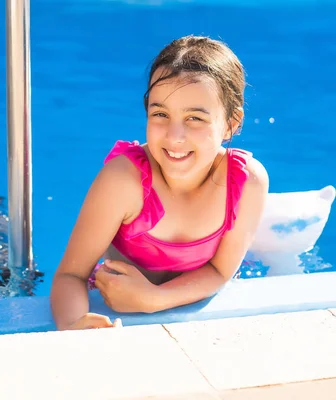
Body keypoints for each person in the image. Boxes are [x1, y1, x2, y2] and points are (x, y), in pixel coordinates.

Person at [50, 35, 269, 330]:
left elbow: (219, 271)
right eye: (160, 114)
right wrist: (74, 323)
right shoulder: (122, 182)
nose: (174, 136)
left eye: (195, 118)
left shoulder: (246, 182)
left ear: (231, 123)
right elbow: (70, 276)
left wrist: (154, 299)